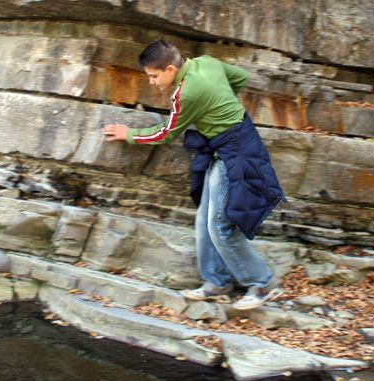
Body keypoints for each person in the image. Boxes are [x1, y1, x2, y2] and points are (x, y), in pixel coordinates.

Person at [101, 40, 285, 310]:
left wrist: (127, 134)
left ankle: (264, 282)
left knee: (220, 225)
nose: (151, 82)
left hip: (235, 151)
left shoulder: (187, 93)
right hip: (226, 144)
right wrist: (220, 104)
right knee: (204, 219)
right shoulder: (206, 62)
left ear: (171, 69)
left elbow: (166, 133)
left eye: (154, 76)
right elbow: (238, 77)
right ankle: (217, 283)